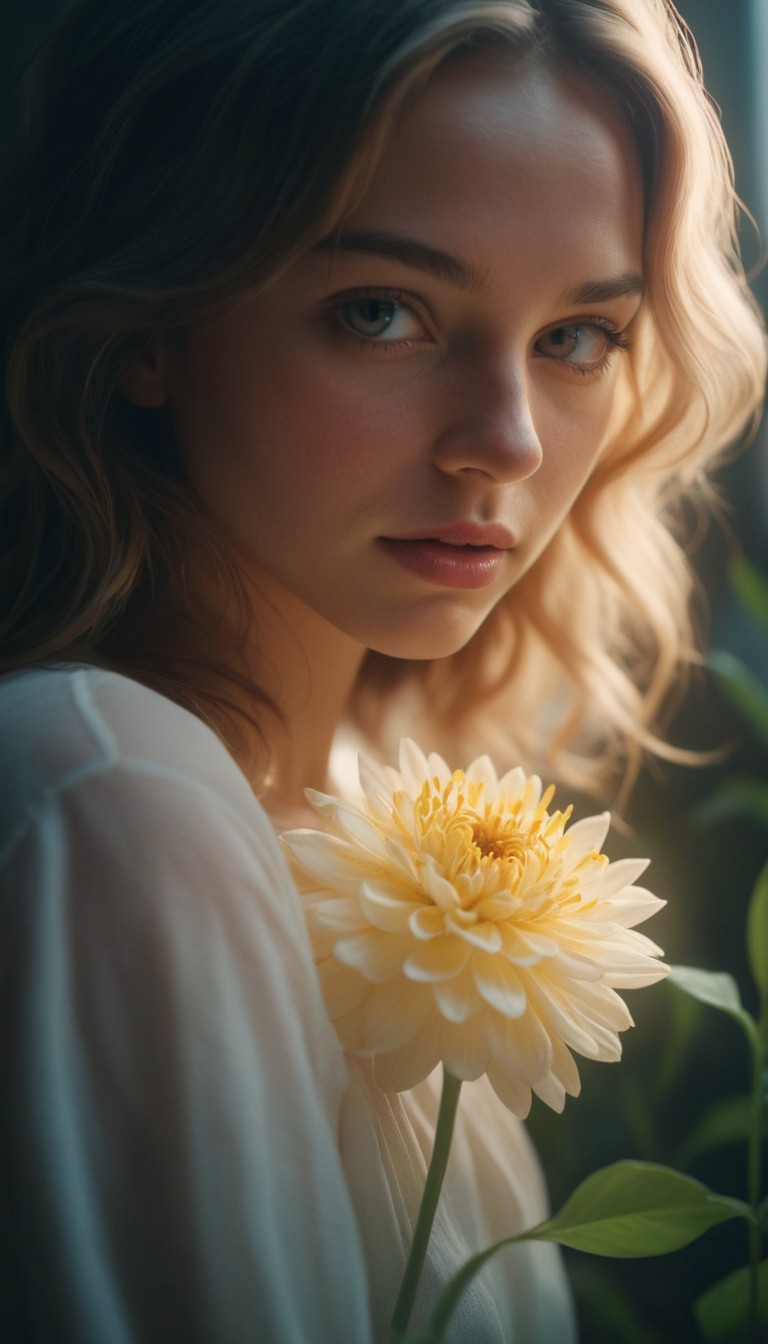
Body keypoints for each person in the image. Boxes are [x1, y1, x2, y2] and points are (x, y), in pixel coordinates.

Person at [0, 0, 764, 1340]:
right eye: (382, 312)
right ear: (146, 323)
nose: (510, 442)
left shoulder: (346, 807)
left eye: (578, 336)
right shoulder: (110, 791)